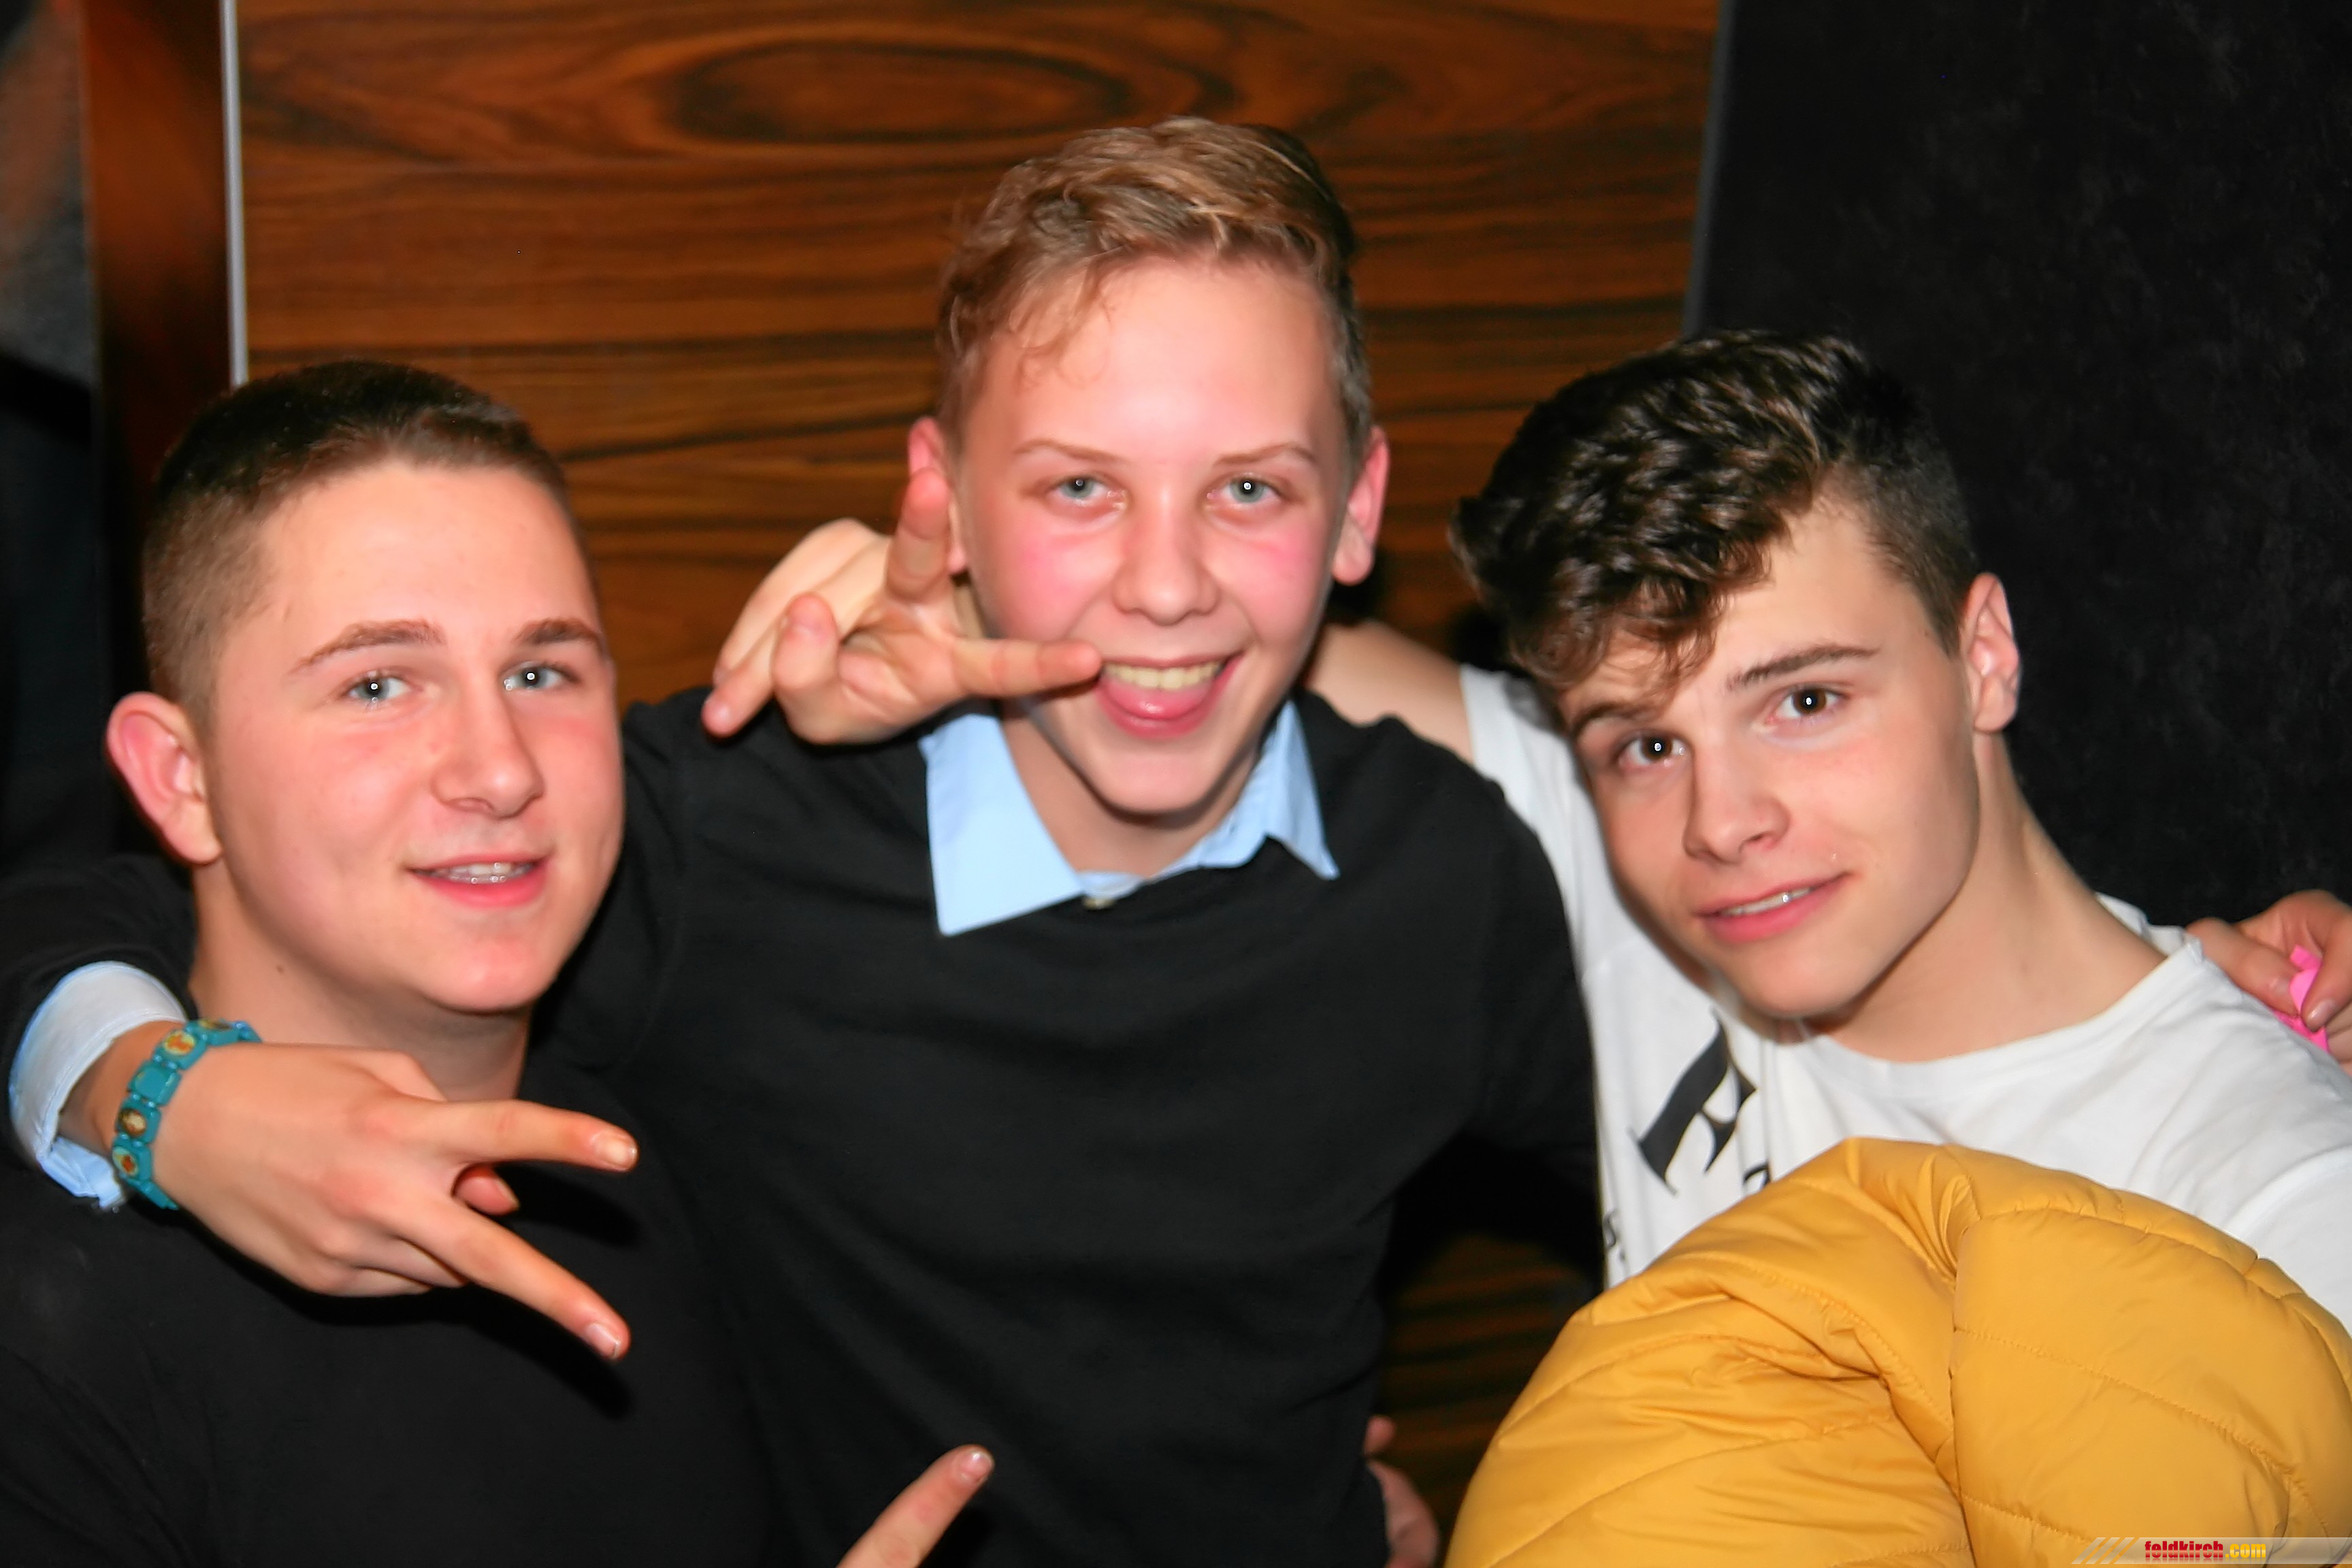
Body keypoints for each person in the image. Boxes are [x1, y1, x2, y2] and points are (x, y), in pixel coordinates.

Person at [0, 119, 1575, 1567]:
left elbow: (1687, 1166)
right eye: (1080, 488)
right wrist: (157, 1092)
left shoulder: (1450, 875)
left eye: (1249, 490)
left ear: (1356, 509)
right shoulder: (720, 835)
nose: (1165, 584)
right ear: (942, 501)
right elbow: (122, 907)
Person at [0, 361, 992, 1565]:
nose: (501, 769)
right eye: (377, 684)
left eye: (540, 672)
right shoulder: (56, 1342)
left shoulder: (694, 1121)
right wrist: (154, 1091)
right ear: (181, 780)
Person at [1416, 329, 2352, 1313]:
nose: (1721, 825)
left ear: (1983, 657)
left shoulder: (2271, 1202)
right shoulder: (1638, 880)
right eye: (1651, 745)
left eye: (1806, 702)